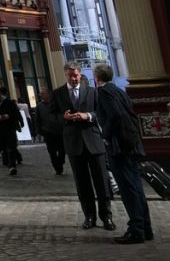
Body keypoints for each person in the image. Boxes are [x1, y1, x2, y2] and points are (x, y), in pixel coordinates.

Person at [93, 63, 153, 244]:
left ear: (97, 78)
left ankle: (136, 230)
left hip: (120, 147)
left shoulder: (103, 92)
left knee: (128, 189)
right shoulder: (119, 90)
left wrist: (105, 135)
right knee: (136, 188)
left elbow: (115, 115)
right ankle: (145, 227)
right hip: (131, 144)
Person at [50, 62, 113, 231]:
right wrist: (64, 118)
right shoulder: (58, 94)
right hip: (73, 143)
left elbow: (101, 113)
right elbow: (52, 116)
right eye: (70, 75)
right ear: (65, 75)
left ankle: (106, 216)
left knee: (102, 181)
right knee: (82, 183)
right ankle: (89, 217)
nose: (74, 78)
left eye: (76, 75)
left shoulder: (92, 92)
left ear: (80, 74)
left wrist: (88, 116)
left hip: (93, 141)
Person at [0, 87, 22, 175]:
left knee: (11, 146)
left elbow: (16, 113)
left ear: (0, 95)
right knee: (3, 147)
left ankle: (12, 166)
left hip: (10, 127)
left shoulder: (9, 103)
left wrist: (9, 116)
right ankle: (9, 162)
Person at [34, 87, 65, 176]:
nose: (40, 95)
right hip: (47, 132)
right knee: (52, 151)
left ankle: (61, 161)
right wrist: (38, 131)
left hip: (59, 131)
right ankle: (57, 167)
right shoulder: (39, 106)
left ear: (48, 94)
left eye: (42, 93)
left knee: (62, 149)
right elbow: (37, 120)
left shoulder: (56, 103)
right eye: (40, 93)